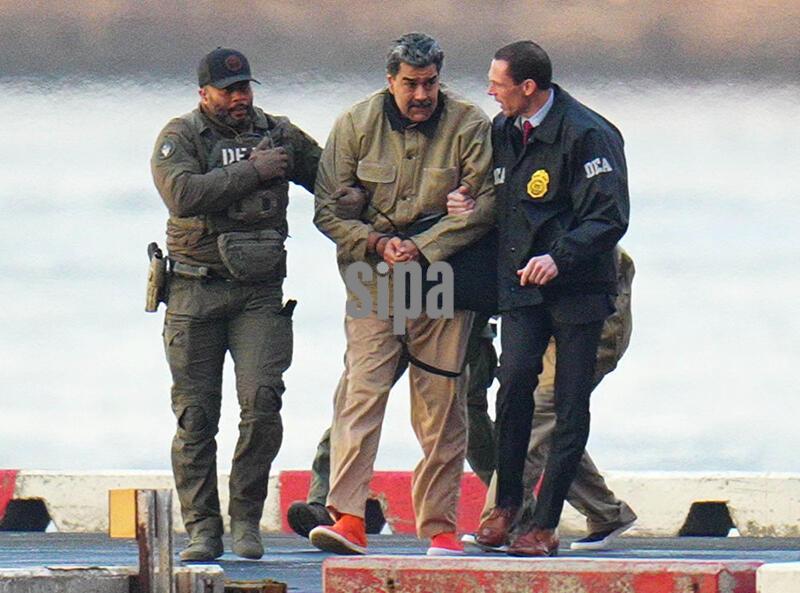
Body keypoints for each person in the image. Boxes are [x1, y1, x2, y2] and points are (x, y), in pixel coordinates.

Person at [310, 32, 495, 556]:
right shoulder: (354, 125)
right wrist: (374, 241)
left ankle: (439, 526)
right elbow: (326, 211)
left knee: (440, 404)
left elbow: (485, 206)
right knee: (362, 391)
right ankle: (348, 516)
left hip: (439, 275)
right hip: (373, 275)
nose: (421, 94)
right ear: (390, 81)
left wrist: (423, 246)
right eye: (411, 84)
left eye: (430, 83)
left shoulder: (469, 124)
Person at [150, 47, 321, 561]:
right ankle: (204, 528)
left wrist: (366, 211)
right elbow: (182, 195)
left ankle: (246, 519)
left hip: (258, 294)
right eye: (229, 91)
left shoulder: (279, 134)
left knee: (263, 402)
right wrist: (253, 170)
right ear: (204, 94)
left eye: (246, 88)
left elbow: (331, 178)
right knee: (197, 416)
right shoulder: (179, 137)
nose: (240, 98)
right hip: (193, 291)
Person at [475, 40, 630, 557]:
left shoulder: (588, 134)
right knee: (513, 384)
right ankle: (508, 504)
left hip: (577, 290)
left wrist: (560, 257)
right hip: (522, 287)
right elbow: (506, 200)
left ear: (528, 87)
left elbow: (608, 217)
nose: (490, 91)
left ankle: (545, 523)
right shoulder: (503, 129)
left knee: (567, 404)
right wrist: (468, 202)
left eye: (498, 83)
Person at [286, 316, 496, 538]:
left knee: (463, 414)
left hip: (452, 308)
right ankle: (325, 502)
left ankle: (509, 504)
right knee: (359, 398)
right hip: (390, 304)